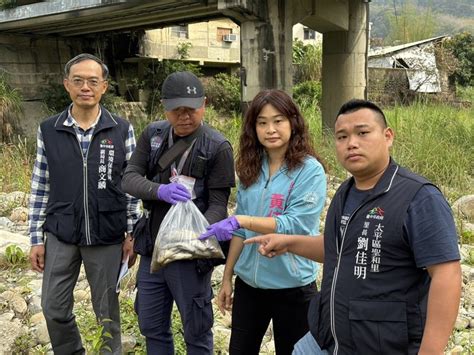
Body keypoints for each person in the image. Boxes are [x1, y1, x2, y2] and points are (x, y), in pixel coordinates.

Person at [246, 99, 462, 355]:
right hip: (324, 339)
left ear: (387, 136)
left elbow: (447, 274)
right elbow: (337, 249)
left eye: (362, 133)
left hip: (382, 345)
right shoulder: (345, 193)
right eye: (342, 136)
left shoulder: (418, 197)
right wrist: (287, 243)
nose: (351, 143)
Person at [199, 89, 327, 355]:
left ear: (293, 122)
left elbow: (295, 224)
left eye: (278, 120)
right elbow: (241, 231)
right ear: (253, 128)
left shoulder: (309, 170)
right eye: (262, 122)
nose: (271, 129)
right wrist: (227, 276)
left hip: (292, 287)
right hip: (250, 287)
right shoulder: (251, 167)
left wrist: (240, 219)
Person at [28, 53, 140, 354]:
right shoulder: (49, 129)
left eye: (93, 81)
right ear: (67, 85)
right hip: (61, 230)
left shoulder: (121, 128)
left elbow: (130, 184)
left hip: (106, 232)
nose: (85, 87)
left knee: (107, 314)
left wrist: (132, 233)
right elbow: (41, 184)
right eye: (78, 81)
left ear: (104, 86)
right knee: (52, 307)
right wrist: (35, 238)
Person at [121, 71, 235, 354]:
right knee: (151, 323)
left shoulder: (217, 146)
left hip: (190, 252)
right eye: (177, 110)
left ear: (204, 104)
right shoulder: (153, 135)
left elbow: (219, 203)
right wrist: (159, 191)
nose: (185, 116)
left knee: (196, 328)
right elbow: (129, 178)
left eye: (191, 109)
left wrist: (200, 233)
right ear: (165, 108)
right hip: (153, 246)